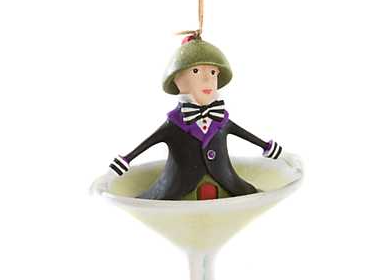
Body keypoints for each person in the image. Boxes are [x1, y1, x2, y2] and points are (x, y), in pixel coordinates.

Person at [108, 34, 283, 200]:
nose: (207, 80)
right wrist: (126, 160)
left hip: (228, 184)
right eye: (196, 71)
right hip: (175, 190)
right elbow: (150, 141)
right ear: (177, 79)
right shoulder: (174, 124)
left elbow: (244, 134)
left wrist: (267, 147)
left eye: (213, 73)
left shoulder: (221, 119)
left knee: (249, 193)